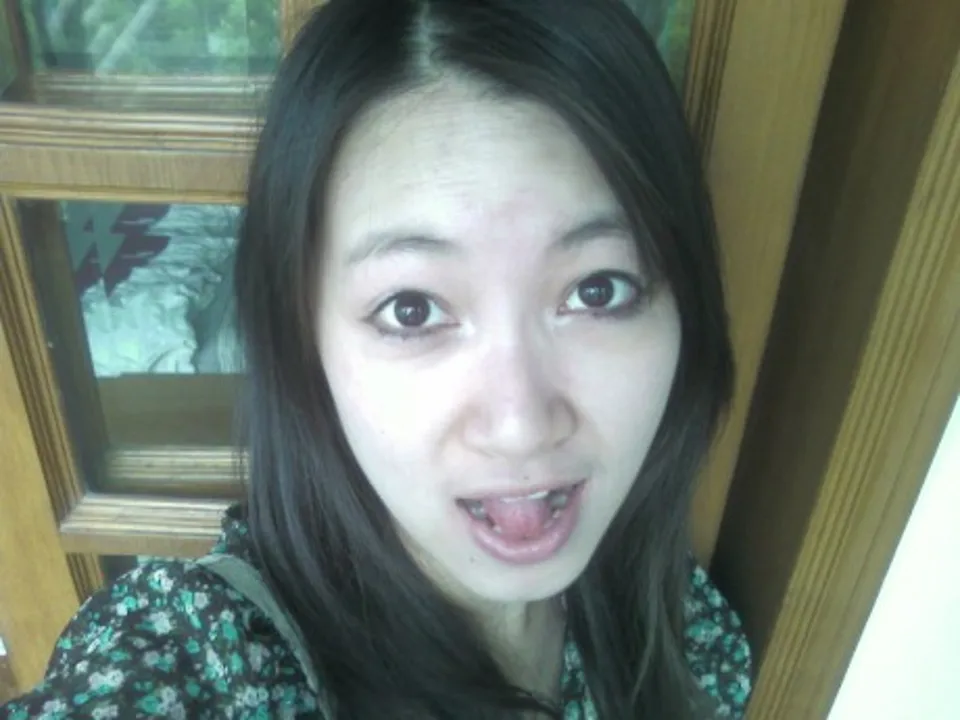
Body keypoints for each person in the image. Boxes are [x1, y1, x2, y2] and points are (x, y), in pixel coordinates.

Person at [1, 0, 752, 717]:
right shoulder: (213, 659)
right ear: (304, 340)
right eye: (412, 309)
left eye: (597, 289)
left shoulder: (689, 637)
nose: (520, 425)